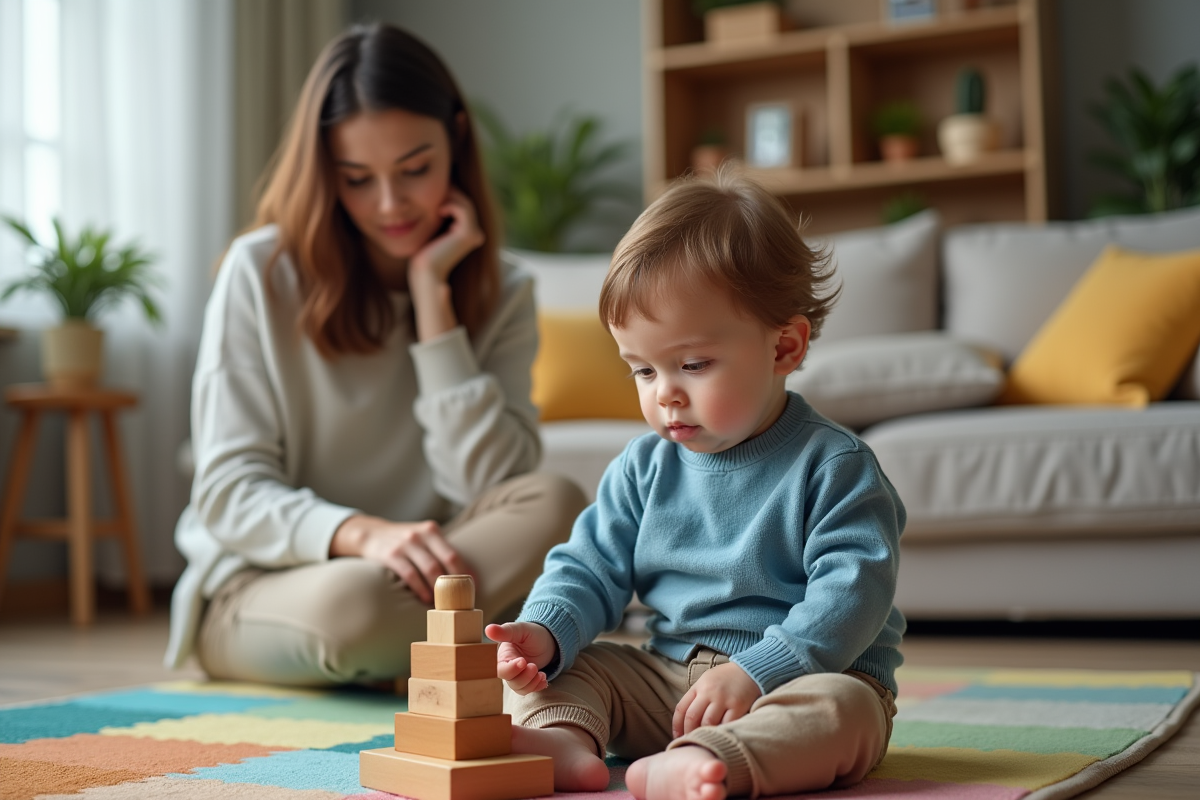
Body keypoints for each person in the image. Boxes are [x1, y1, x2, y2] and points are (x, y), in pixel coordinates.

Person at [163, 22, 587, 686]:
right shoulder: (259, 272)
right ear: (326, 173)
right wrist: (362, 535)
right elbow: (227, 493)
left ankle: (417, 655)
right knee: (353, 605)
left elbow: (493, 489)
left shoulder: (504, 289)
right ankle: (470, 650)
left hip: (422, 584)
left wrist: (433, 308)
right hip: (270, 587)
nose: (389, 205)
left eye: (415, 169)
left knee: (559, 503)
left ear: (456, 137)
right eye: (357, 178)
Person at [486, 169, 905, 800]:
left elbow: (853, 596)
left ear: (784, 347)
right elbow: (587, 567)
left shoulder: (835, 466)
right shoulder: (643, 467)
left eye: (692, 365)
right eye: (642, 370)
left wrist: (759, 671)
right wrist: (543, 634)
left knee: (843, 711)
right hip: (668, 682)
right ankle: (567, 744)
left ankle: (716, 761)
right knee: (574, 672)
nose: (665, 394)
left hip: (800, 679)